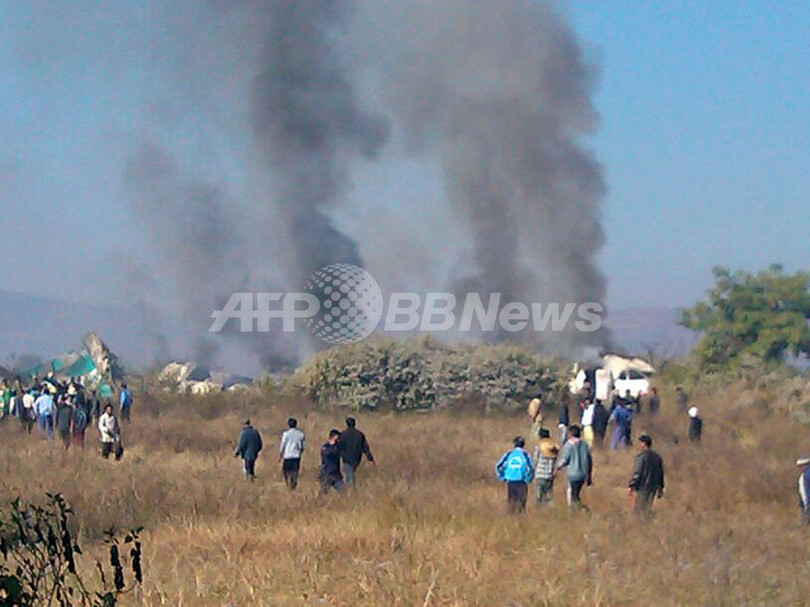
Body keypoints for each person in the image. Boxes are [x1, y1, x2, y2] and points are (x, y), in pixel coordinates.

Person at [556, 425, 593, 510]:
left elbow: (565, 459)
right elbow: (589, 461)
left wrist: (557, 467)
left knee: (573, 496)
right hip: (582, 474)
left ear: (570, 434)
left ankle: (582, 510)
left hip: (572, 475)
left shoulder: (568, 445)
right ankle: (577, 509)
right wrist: (589, 475)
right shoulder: (584, 445)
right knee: (576, 494)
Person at [628, 435, 665, 518]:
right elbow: (660, 474)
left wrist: (632, 484)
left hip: (643, 486)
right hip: (653, 487)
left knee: (638, 510)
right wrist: (660, 488)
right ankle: (648, 522)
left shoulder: (641, 457)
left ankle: (640, 524)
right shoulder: (657, 457)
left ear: (644, 444)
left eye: (640, 443)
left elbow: (638, 472)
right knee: (647, 507)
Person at [495, 436, 534, 513]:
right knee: (521, 505)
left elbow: (498, 466)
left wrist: (502, 477)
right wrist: (528, 479)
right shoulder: (525, 454)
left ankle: (512, 517)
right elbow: (531, 468)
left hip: (510, 481)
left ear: (514, 444)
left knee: (511, 503)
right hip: (521, 482)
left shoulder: (509, 454)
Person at [337, 417, 374, 486]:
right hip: (356, 458)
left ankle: (349, 489)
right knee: (351, 473)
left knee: (349, 475)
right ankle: (352, 488)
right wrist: (370, 458)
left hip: (346, 458)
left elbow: (338, 447)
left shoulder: (343, 435)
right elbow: (365, 448)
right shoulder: (360, 434)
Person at [533, 429, 559, 506]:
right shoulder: (553, 447)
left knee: (538, 496)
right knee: (549, 496)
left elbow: (535, 460)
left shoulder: (539, 447)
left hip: (540, 474)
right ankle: (550, 510)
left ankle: (538, 510)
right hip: (550, 475)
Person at [279, 417, 305, 490]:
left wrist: (281, 454)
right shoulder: (300, 434)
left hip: (288, 455)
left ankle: (287, 483)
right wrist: (300, 452)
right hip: (296, 456)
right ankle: (293, 485)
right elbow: (302, 446)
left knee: (285, 471)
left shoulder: (286, 434)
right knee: (295, 471)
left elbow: (283, 445)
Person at [319, 429, 345, 495]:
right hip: (327, 474)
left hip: (336, 474)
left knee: (344, 492)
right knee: (323, 493)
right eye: (337, 437)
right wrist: (333, 445)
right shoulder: (325, 447)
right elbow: (327, 454)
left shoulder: (338, 447)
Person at [797, 458, 810, 525]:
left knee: (805, 523)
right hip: (806, 502)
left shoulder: (806, 475)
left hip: (808, 502)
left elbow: (805, 490)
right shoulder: (804, 475)